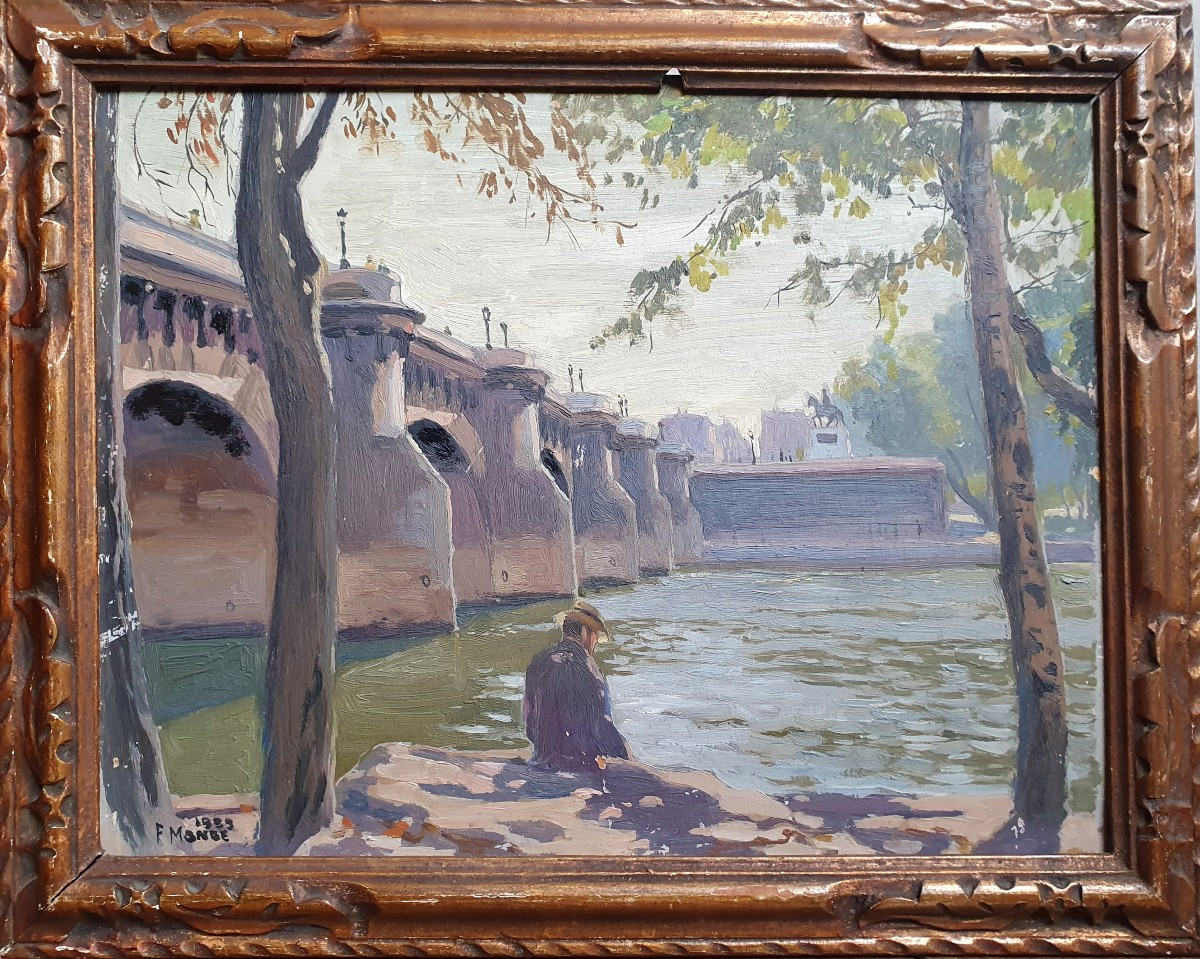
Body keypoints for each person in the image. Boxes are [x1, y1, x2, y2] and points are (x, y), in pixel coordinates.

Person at [523, 600, 629, 771]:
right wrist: (625, 756)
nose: (594, 645)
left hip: (543, 760)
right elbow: (603, 727)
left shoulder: (538, 662)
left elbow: (529, 721)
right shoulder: (590, 670)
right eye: (595, 637)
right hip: (583, 765)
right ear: (586, 633)